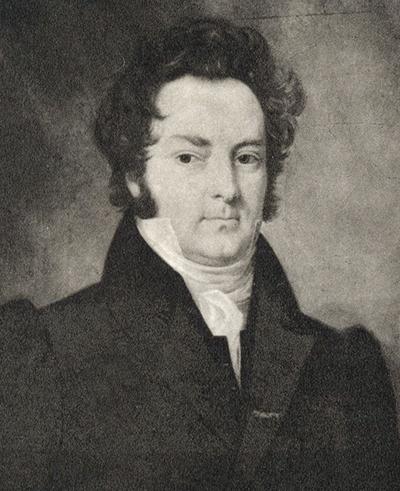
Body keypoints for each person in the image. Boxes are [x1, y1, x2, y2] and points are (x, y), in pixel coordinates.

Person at [1, 16, 399, 490]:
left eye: (246, 157)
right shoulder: (44, 353)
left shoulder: (345, 367)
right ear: (135, 174)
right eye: (190, 157)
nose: (227, 188)